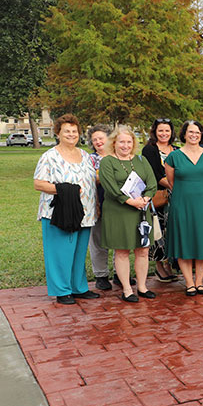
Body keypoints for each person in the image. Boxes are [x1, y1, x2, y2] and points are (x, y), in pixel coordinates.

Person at [34, 114, 100, 305]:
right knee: (60, 252)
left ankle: (78, 287)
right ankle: (62, 290)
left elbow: (91, 180)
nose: (71, 135)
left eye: (74, 131)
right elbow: (39, 183)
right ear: (58, 133)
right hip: (59, 212)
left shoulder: (85, 156)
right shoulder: (49, 157)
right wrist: (65, 190)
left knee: (79, 252)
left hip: (85, 212)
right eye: (67, 131)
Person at [99, 126, 158, 303]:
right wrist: (130, 201)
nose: (125, 145)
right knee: (122, 250)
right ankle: (126, 289)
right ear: (114, 143)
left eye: (129, 142)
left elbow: (152, 182)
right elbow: (110, 187)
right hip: (118, 211)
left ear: (134, 143)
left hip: (141, 211)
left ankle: (142, 287)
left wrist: (145, 198)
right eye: (121, 142)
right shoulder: (107, 161)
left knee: (143, 249)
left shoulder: (141, 160)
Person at [164, 120, 203, 296]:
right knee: (184, 242)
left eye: (197, 132)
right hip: (182, 204)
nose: (194, 135)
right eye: (190, 132)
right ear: (184, 134)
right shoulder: (174, 156)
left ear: (201, 134)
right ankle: (189, 282)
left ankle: (199, 282)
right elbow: (171, 182)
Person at [141, 119, 177, 282]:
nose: (164, 134)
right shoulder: (149, 149)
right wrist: (173, 185)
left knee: (171, 231)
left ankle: (169, 263)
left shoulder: (176, 150)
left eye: (167, 131)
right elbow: (154, 174)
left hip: (175, 197)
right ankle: (159, 266)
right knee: (158, 231)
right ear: (155, 132)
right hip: (158, 197)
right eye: (160, 131)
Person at [87, 124, 115, 290]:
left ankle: (120, 273)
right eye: (94, 139)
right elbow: (90, 180)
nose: (98, 141)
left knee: (120, 240)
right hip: (98, 202)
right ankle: (101, 275)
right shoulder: (89, 159)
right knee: (98, 240)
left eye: (101, 138)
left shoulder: (119, 155)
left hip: (119, 205)